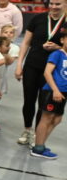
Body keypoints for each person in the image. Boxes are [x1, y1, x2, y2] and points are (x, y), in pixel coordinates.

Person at [15, 0, 67, 146]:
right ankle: (27, 130)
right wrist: (19, 64)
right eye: (51, 3)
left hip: (52, 72)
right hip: (32, 65)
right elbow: (26, 42)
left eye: (58, 4)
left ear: (65, 4)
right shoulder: (38, 19)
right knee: (29, 100)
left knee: (43, 103)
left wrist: (58, 48)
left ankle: (37, 135)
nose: (53, 6)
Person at [31, 28, 67, 159]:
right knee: (46, 118)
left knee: (57, 119)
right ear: (62, 40)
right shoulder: (57, 54)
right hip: (52, 91)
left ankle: (40, 144)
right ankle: (38, 148)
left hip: (64, 93)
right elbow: (47, 72)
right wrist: (55, 90)